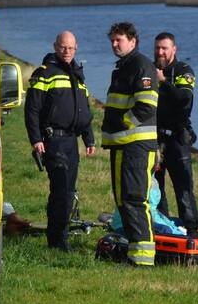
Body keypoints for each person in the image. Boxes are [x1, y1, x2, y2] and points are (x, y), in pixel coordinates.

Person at [24, 31, 97, 250]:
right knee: (62, 191)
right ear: (56, 47)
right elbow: (32, 110)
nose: (67, 52)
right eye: (63, 47)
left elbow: (83, 111)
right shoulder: (44, 73)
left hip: (71, 142)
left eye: (71, 48)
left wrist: (89, 139)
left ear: (76, 49)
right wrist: (36, 139)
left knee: (67, 191)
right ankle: (58, 242)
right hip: (52, 140)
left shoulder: (77, 74)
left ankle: (57, 234)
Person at [100, 21, 159, 267]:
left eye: (119, 40)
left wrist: (124, 122)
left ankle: (143, 259)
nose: (114, 44)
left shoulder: (141, 65)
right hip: (122, 146)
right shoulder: (123, 67)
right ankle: (134, 253)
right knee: (123, 200)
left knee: (135, 199)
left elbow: (146, 105)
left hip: (136, 146)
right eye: (112, 40)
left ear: (133, 41)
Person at [152, 31, 198, 237]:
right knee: (157, 188)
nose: (160, 52)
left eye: (164, 48)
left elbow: (184, 100)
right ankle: (162, 227)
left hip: (177, 137)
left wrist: (163, 82)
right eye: (157, 48)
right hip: (156, 138)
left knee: (184, 188)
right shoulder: (149, 70)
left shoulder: (183, 70)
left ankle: (191, 232)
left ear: (174, 49)